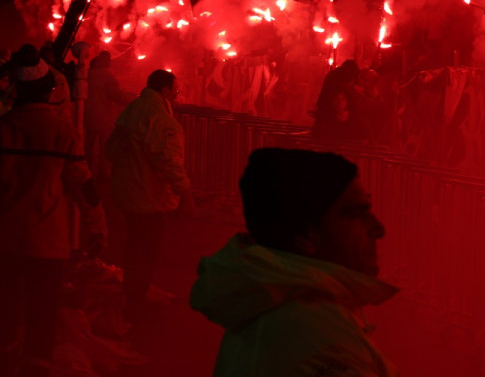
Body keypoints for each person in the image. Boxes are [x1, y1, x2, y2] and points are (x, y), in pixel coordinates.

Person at [190, 148, 396, 376]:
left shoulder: (272, 300)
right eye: (357, 214)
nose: (379, 229)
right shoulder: (318, 337)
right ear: (306, 237)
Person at [0, 53, 106, 377]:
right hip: (47, 243)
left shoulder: (3, 129)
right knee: (41, 317)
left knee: (4, 316)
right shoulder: (62, 131)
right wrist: (98, 225)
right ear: (49, 91)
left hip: (5, 240)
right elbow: (82, 183)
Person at [105, 69, 193, 322]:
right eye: (175, 90)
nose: (177, 95)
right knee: (146, 251)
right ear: (165, 91)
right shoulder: (160, 120)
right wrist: (185, 194)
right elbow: (169, 162)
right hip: (148, 197)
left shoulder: (132, 111)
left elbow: (111, 149)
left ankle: (133, 297)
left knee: (133, 247)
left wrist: (129, 170)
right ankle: (136, 304)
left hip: (127, 192)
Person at [84, 51, 133, 180]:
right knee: (105, 145)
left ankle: (86, 171)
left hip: (88, 114)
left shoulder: (88, 74)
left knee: (88, 145)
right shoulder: (106, 75)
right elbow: (116, 94)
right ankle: (103, 173)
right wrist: (130, 101)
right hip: (102, 116)